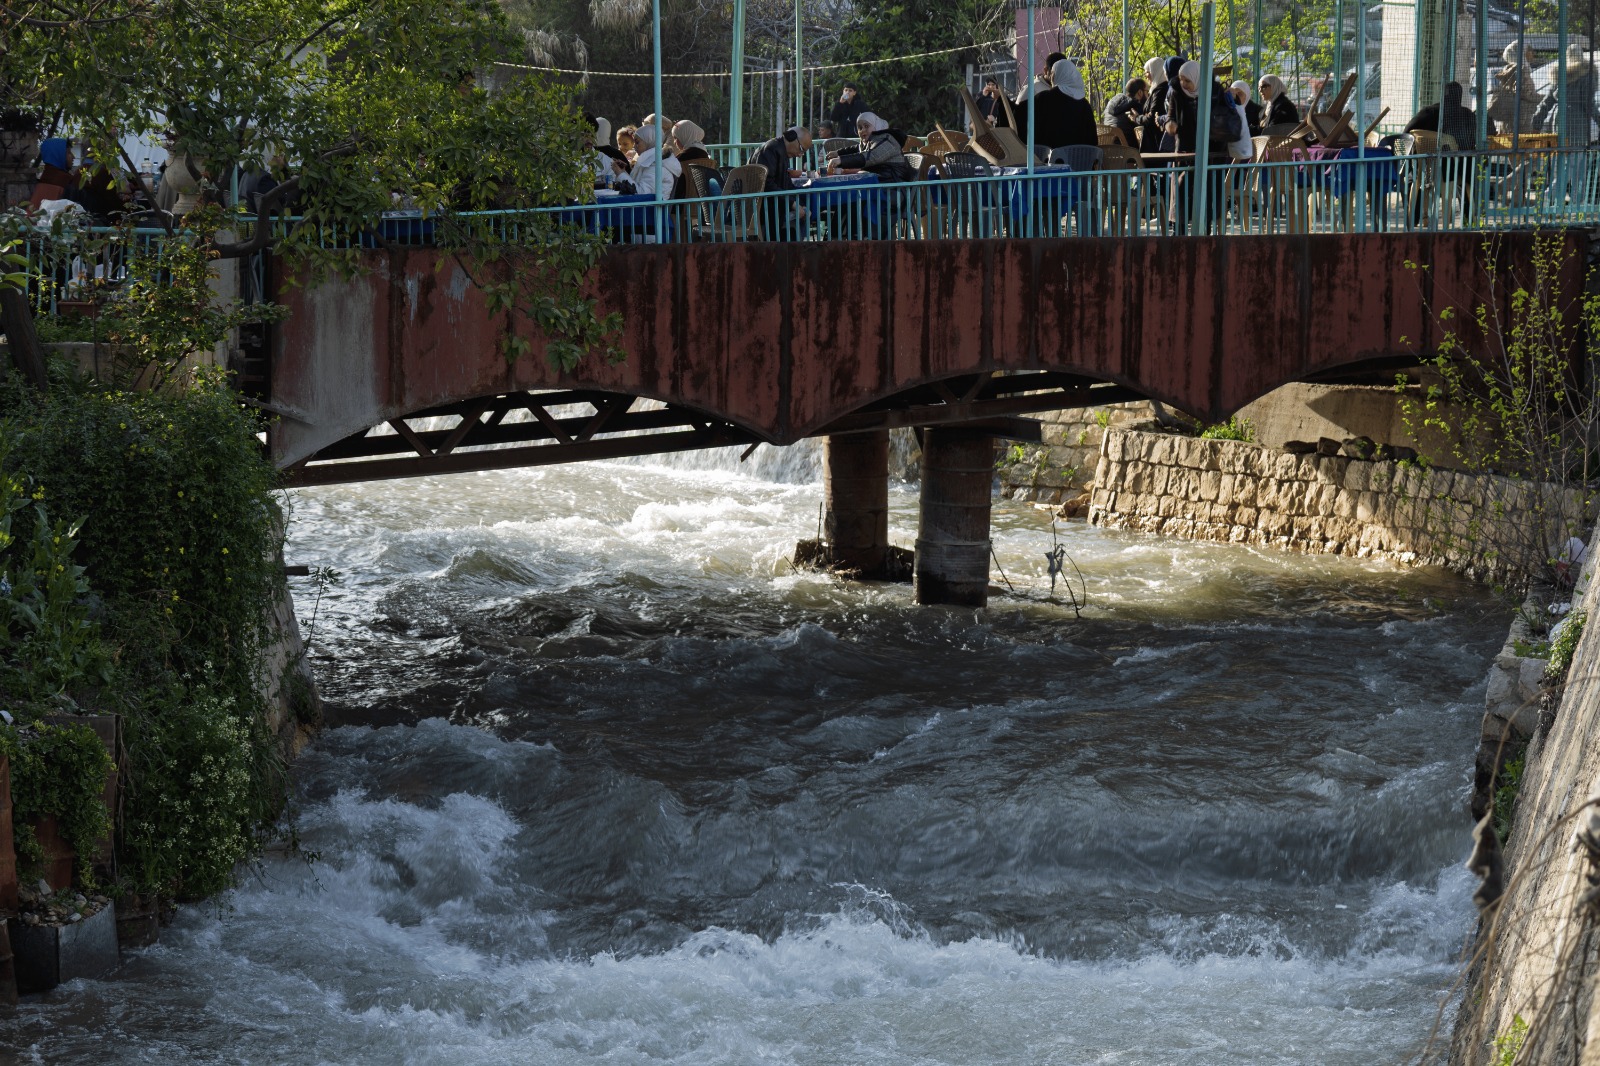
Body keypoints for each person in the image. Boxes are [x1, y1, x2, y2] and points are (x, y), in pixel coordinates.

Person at [1011, 57, 1097, 151]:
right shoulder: (1084, 105)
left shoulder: (1043, 99)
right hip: (1079, 162)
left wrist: (1003, 101)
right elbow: (1092, 142)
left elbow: (1018, 116)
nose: (1051, 77)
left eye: (1052, 73)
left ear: (1057, 75)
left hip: (1046, 162)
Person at [749, 126, 812, 238]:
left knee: (805, 207)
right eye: (801, 149)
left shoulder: (782, 151)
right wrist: (792, 204)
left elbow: (786, 183)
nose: (799, 155)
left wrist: (800, 204)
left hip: (773, 205)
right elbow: (766, 184)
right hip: (760, 208)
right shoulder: (770, 150)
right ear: (791, 138)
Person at [1534, 46, 1596, 145]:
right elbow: (1589, 105)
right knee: (1576, 155)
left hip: (1559, 118)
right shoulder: (1587, 77)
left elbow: (1546, 103)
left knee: (1560, 151)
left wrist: (1536, 124)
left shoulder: (1560, 76)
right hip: (1578, 122)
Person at [827, 112, 914, 182]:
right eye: (860, 128)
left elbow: (872, 156)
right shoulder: (871, 141)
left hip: (893, 189)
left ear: (876, 125)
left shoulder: (887, 141)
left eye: (866, 126)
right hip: (879, 184)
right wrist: (837, 153)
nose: (862, 130)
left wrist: (840, 160)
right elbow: (857, 148)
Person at [1405, 81, 1488, 149]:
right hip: (1462, 163)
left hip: (1429, 162)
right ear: (1460, 96)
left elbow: (1406, 131)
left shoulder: (1428, 111)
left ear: (1442, 95)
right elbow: (1478, 138)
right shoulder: (1467, 114)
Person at [1489, 44, 1540, 136]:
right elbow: (1523, 92)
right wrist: (1541, 98)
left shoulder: (1509, 69)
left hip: (1509, 115)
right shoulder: (1522, 69)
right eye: (1529, 50)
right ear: (1521, 53)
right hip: (1521, 118)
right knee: (1521, 145)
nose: (1532, 53)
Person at [628, 122, 681, 198]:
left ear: (649, 141)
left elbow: (642, 192)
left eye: (637, 142)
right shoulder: (651, 161)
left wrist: (621, 174)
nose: (634, 146)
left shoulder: (657, 165)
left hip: (652, 209)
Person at [1103, 78, 1148, 147]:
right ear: (1140, 92)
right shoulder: (1136, 108)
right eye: (1147, 91)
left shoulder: (1110, 105)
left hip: (1107, 150)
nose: (1148, 95)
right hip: (1128, 152)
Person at [1142, 57, 1171, 152]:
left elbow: (1151, 118)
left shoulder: (1160, 91)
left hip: (1158, 143)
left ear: (1155, 71)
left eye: (1147, 72)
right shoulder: (1155, 90)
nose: (1146, 76)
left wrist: (1137, 118)